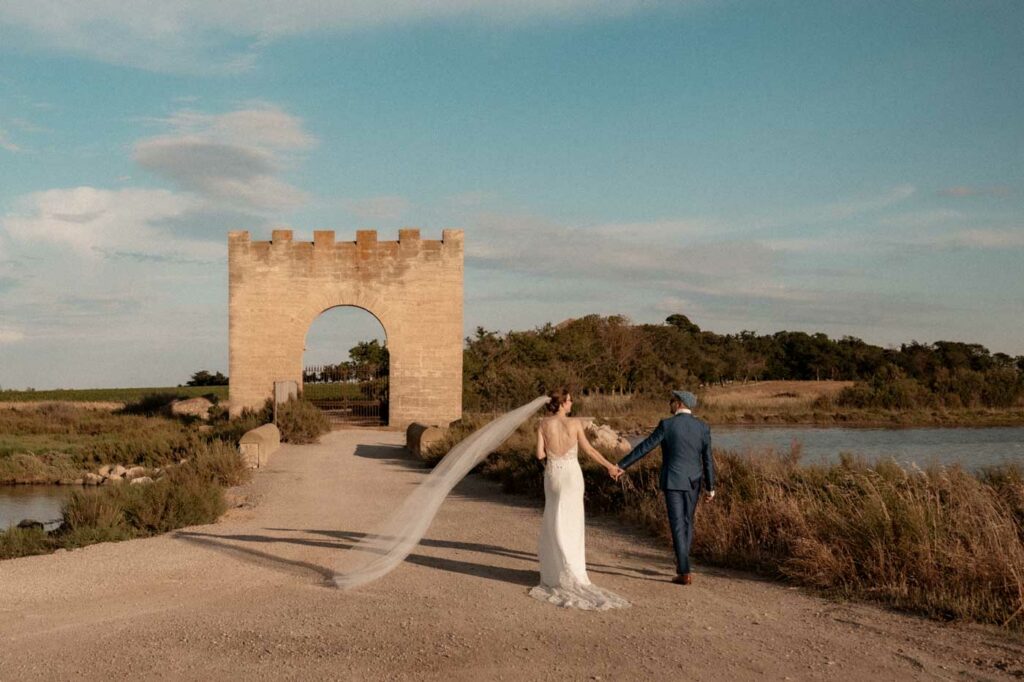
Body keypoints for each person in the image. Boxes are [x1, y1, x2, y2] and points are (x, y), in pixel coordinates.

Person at [528, 389, 630, 610]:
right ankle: (572, 570)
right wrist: (610, 466)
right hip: (572, 476)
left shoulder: (543, 424)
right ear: (562, 403)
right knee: (572, 522)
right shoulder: (575, 423)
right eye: (569, 400)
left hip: (553, 474)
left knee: (554, 520)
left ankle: (555, 571)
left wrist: (552, 455)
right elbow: (589, 450)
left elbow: (539, 455)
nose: (572, 403)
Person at [612, 390, 715, 585]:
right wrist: (711, 487)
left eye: (672, 400)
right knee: (687, 522)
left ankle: (684, 570)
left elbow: (644, 447)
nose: (670, 403)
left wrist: (621, 465)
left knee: (677, 524)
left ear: (678, 403)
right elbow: (708, 460)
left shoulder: (667, 425)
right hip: (694, 481)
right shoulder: (703, 427)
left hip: (673, 481)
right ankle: (682, 561)